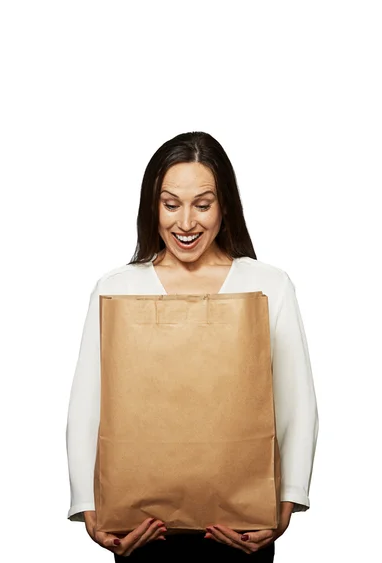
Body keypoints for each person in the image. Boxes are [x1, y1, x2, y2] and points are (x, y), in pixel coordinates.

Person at [65, 131, 319, 561]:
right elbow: (88, 403)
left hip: (241, 532)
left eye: (202, 205)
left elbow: (296, 401)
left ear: (225, 207)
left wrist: (285, 507)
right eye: (171, 205)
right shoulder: (117, 287)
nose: (185, 223)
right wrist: (89, 510)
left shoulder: (269, 284)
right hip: (141, 530)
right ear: (152, 207)